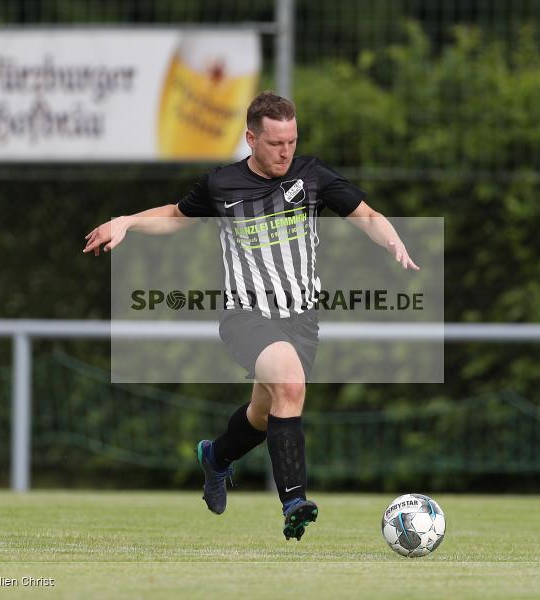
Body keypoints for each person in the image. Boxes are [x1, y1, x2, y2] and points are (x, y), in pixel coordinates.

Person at [84, 91, 419, 539]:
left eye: (292, 141)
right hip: (245, 315)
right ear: (250, 139)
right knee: (290, 384)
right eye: (276, 143)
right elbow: (174, 215)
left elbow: (367, 214)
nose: (286, 151)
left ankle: (216, 456)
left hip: (301, 320)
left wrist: (392, 238)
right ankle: (294, 501)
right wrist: (126, 220)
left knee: (266, 413)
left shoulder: (311, 174)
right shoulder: (222, 185)